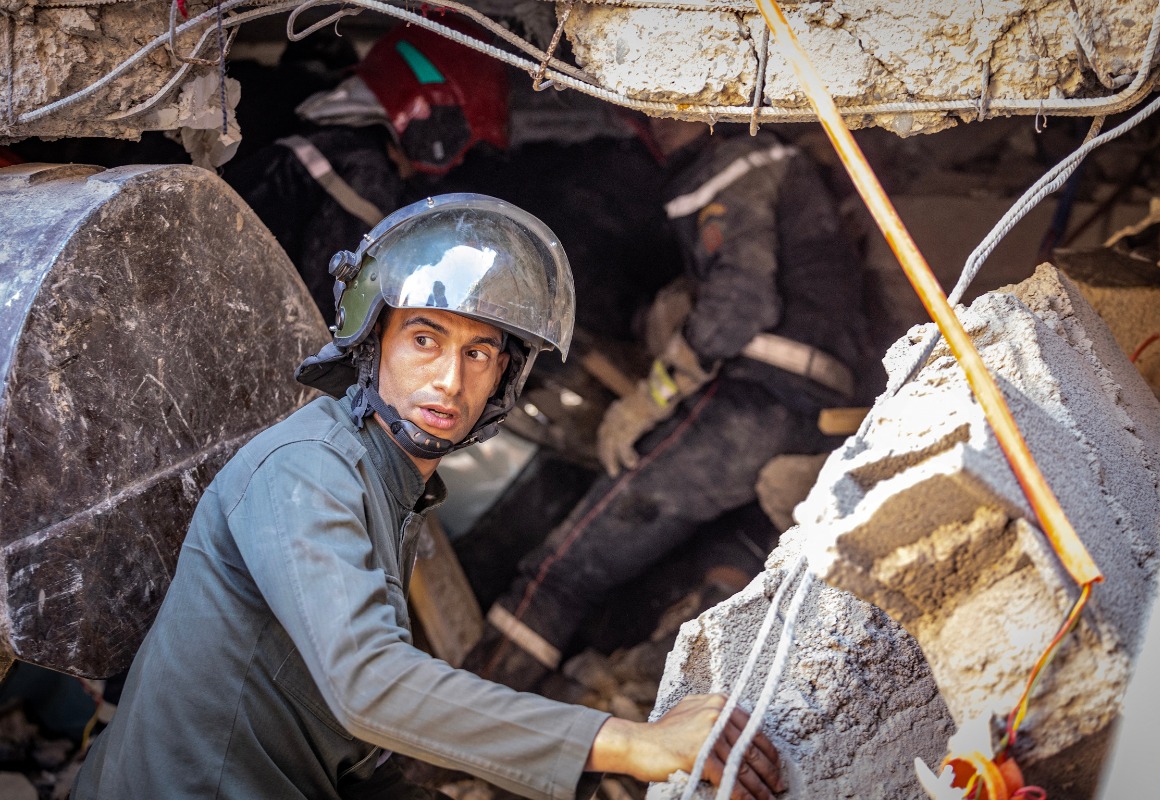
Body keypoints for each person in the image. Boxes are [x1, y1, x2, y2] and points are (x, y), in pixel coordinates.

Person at [70, 194, 785, 800]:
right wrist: (630, 743)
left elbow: (327, 707)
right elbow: (367, 684)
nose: (449, 379)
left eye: (479, 353)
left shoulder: (387, 479)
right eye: (424, 339)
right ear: (372, 340)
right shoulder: (307, 470)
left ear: (504, 380)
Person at [466, 119, 873, 692]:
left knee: (561, 574)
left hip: (752, 403)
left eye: (659, 113)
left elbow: (737, 305)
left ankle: (457, 744)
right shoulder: (796, 177)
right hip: (822, 421)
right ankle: (632, 705)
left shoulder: (734, 166)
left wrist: (650, 396)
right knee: (729, 567)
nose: (656, 127)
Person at [223, 17, 510, 325]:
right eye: (458, 142)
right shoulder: (362, 169)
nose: (456, 162)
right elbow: (336, 319)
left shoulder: (326, 143)